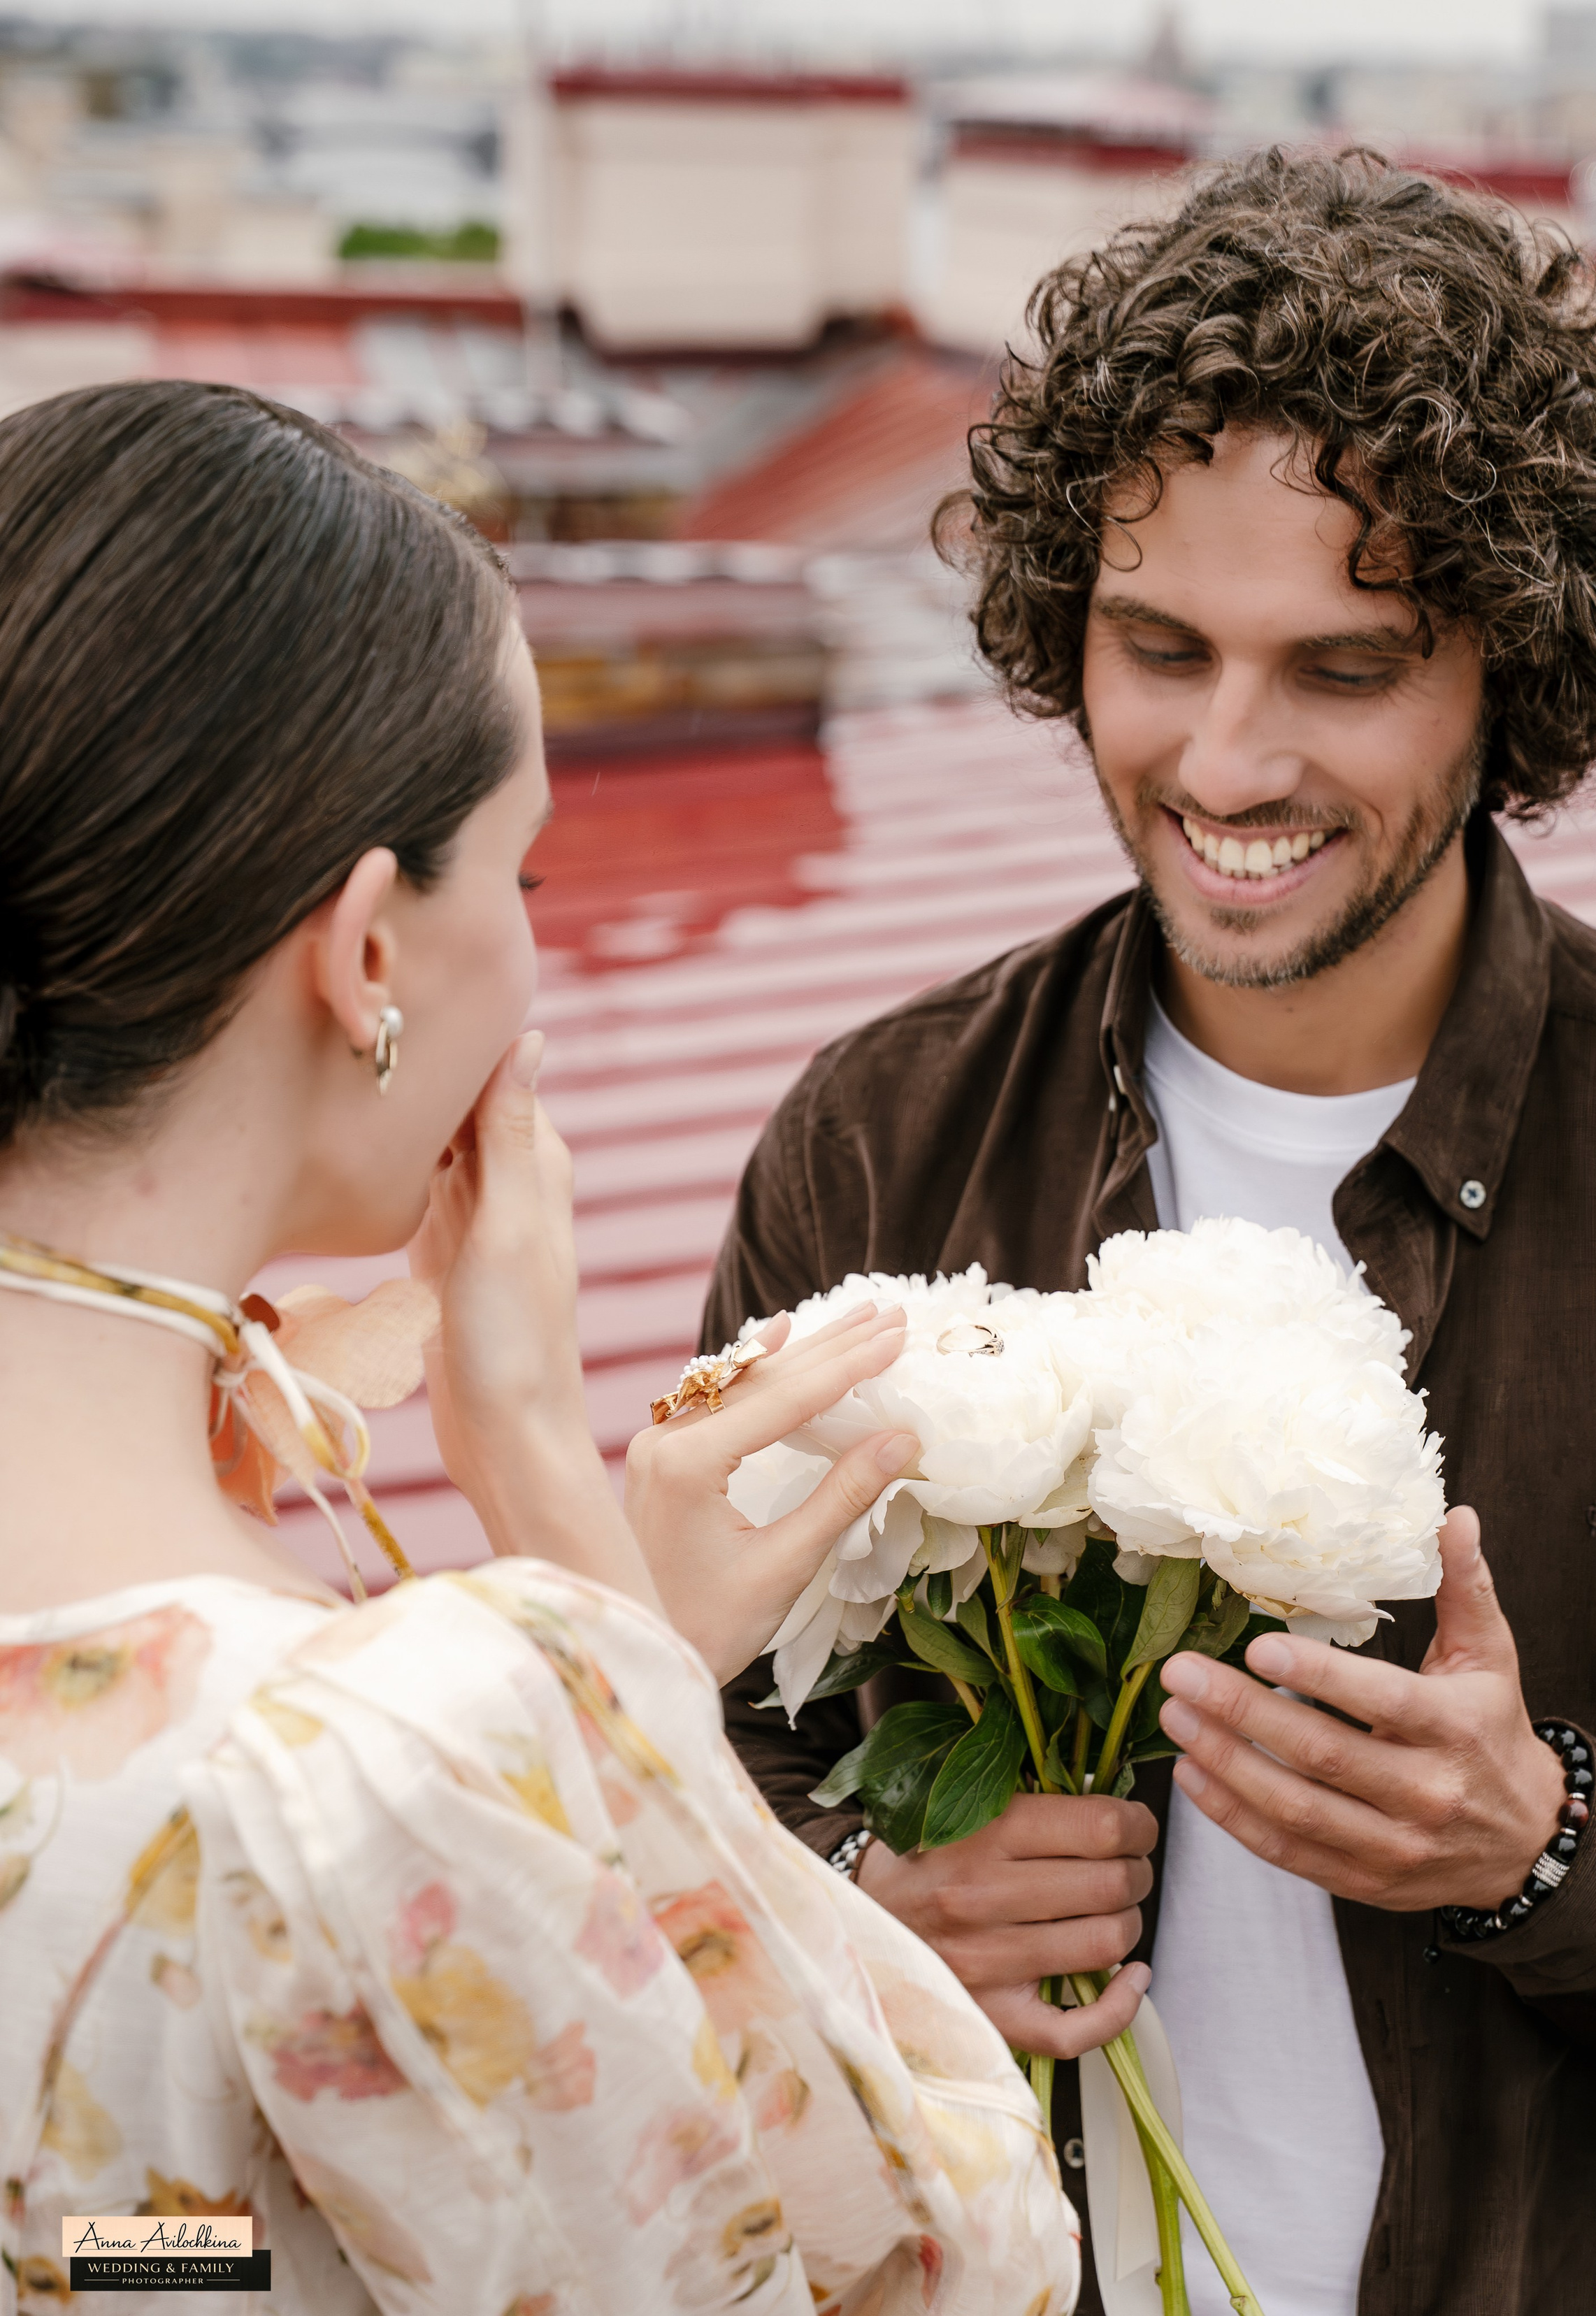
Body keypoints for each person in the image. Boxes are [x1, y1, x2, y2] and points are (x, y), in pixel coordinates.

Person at [708, 147, 1596, 2316]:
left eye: (1345, 666)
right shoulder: (879, 1143)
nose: (1227, 756)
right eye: (1161, 645)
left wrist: (1562, 1850)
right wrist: (870, 1884)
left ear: (1512, 674)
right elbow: (699, 1766)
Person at [0, 380, 1095, 2313]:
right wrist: (588, 1590)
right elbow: (933, 2253)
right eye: (523, 867)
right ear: (364, 958)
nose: (526, 942)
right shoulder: (379, 1758)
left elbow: (140, 2242)